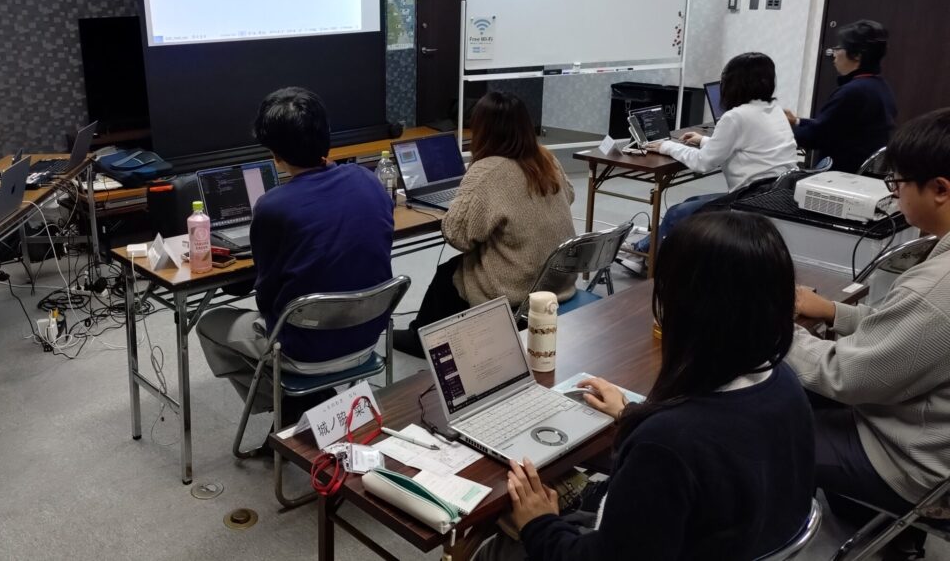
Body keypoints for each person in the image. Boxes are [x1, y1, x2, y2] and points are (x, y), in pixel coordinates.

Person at [476, 212, 815, 561]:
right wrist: (633, 415)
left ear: (685, 309)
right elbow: (715, 440)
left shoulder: (666, 446)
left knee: (493, 547)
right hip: (736, 542)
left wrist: (539, 523)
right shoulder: (785, 386)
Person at [791, 107, 950, 558]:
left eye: (897, 183)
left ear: (940, 189)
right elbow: (914, 337)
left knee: (762, 427)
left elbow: (846, 377)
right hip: (930, 433)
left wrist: (774, 331)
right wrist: (835, 313)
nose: (893, 193)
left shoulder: (937, 288)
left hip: (914, 464)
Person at [196, 87, 394, 423]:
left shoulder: (273, 207)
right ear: (326, 134)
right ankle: (309, 404)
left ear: (275, 155)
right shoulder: (369, 181)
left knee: (209, 324)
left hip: (304, 351)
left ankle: (292, 406)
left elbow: (267, 298)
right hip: (366, 338)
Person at [395, 92, 575, 357]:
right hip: (557, 279)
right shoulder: (546, 158)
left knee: (449, 275)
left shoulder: (487, 170)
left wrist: (463, 199)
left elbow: (457, 236)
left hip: (517, 288)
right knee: (457, 270)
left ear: (482, 129)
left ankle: (423, 340)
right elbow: (570, 195)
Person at [632, 52, 797, 255]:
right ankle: (644, 250)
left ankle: (647, 258)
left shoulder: (735, 117)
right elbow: (746, 146)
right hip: (777, 194)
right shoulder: (774, 110)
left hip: (750, 200)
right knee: (691, 202)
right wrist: (703, 140)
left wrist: (667, 146)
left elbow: (702, 163)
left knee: (677, 213)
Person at [785, 20, 896, 173]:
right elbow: (834, 125)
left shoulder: (852, 92)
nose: (834, 54)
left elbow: (816, 137)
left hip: (841, 173)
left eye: (838, 48)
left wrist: (777, 130)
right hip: (863, 171)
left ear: (857, 55)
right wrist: (797, 122)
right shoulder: (879, 86)